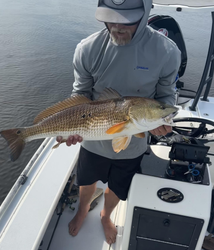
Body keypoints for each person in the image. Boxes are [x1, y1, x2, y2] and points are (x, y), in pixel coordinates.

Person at [57, 0, 181, 245]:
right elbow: (79, 94)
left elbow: (167, 96)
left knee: (118, 185)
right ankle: (83, 210)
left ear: (145, 14)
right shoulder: (88, 48)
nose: (117, 26)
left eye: (127, 21)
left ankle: (106, 215)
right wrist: (70, 125)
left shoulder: (167, 51)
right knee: (86, 179)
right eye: (110, 18)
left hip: (133, 141)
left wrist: (163, 121)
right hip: (93, 137)